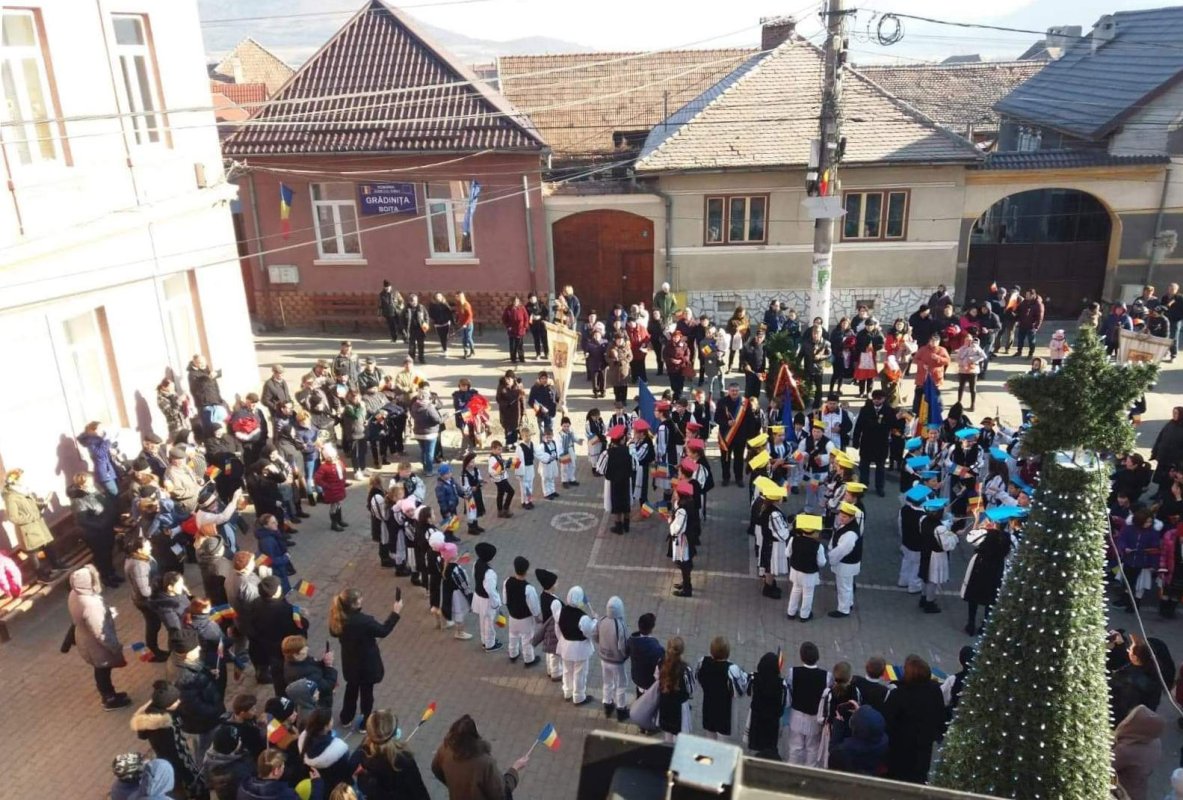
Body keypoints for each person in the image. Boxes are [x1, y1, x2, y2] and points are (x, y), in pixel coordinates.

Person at [329, 587, 403, 730]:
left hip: (350, 662)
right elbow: (383, 631)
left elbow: (333, 632)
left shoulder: (338, 617)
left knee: (351, 689)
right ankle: (364, 722)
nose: (362, 599)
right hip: (367, 664)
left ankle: (346, 717)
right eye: (359, 598)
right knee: (367, 693)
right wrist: (395, 612)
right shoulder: (365, 621)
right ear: (354, 604)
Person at [67, 564, 131, 710]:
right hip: (96, 645)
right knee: (103, 669)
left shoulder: (74, 593)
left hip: (85, 638)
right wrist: (115, 646)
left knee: (101, 669)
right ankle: (109, 698)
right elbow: (101, 632)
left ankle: (109, 694)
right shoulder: (91, 604)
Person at [131, 681, 205, 798]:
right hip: (176, 761)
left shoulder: (150, 717)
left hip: (164, 758)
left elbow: (143, 735)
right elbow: (178, 752)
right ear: (165, 705)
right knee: (190, 785)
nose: (178, 702)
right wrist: (193, 774)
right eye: (175, 701)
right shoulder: (165, 727)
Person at [431, 714, 527, 800]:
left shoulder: (445, 749)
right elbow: (500, 793)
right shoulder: (485, 763)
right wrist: (514, 770)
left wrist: (453, 785)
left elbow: (435, 769)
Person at [882, 655, 946, 783]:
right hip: (923, 746)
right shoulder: (934, 690)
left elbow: (887, 720)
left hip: (901, 748)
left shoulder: (899, 694)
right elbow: (940, 714)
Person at [350, 709, 432, 800]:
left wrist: (363, 776)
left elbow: (363, 785)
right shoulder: (404, 759)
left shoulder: (362, 752)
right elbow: (419, 791)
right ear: (394, 732)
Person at [1, 470, 64, 581]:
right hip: (28, 529)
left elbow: (30, 506)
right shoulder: (11, 497)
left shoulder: (23, 492)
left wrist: (41, 504)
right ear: (14, 481)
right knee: (33, 552)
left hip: (37, 525)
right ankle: (41, 575)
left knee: (47, 544)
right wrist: (32, 517)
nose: (23, 480)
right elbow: (13, 517)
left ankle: (56, 565)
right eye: (21, 478)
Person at [961, 510, 1015, 635]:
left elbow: (970, 538)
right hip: (997, 568)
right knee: (991, 597)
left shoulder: (984, 534)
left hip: (980, 566)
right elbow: (1013, 554)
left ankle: (971, 624)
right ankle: (985, 625)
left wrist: (976, 522)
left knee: (974, 595)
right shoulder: (1009, 538)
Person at [67, 471, 122, 586]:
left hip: (106, 527)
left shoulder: (94, 490)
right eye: (89, 482)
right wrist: (101, 525)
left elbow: (104, 503)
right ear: (82, 484)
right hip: (95, 533)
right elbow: (82, 520)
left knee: (108, 552)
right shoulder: (78, 500)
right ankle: (106, 577)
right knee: (101, 556)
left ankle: (112, 573)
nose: (92, 483)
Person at [696, 636, 749, 741]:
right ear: (727, 652)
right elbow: (740, 690)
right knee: (722, 741)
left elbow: (698, 678)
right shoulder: (731, 669)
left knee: (710, 735)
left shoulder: (703, 662)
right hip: (724, 710)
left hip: (708, 705)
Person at [786, 641, 829, 766]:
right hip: (815, 718)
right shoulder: (826, 676)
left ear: (801, 657)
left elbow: (790, 689)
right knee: (812, 747)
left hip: (796, 716)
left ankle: (791, 768)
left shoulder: (792, 672)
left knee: (795, 746)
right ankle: (810, 770)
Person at [554, 585, 598, 705]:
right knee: (580, 673)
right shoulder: (583, 617)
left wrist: (561, 640)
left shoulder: (560, 611)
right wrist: (594, 620)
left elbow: (557, 628)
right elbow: (589, 632)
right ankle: (578, 696)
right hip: (580, 649)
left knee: (567, 670)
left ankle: (567, 691)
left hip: (565, 646)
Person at [1113, 705, 1166, 800]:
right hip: (1139, 790)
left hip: (1122, 792)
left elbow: (1107, 765)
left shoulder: (1127, 750)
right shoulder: (1155, 741)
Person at [593, 595, 631, 721]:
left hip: (604, 658)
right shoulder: (620, 624)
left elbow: (595, 635)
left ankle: (607, 704)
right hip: (617, 661)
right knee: (621, 684)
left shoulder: (602, 620)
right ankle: (621, 709)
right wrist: (625, 655)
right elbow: (622, 645)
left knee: (607, 682)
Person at [852, 390, 895, 497]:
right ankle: (863, 486)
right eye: (874, 398)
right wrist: (855, 441)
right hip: (867, 442)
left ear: (884, 399)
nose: (876, 401)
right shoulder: (865, 409)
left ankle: (879, 487)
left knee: (880, 468)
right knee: (864, 466)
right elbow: (858, 426)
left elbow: (892, 425)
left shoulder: (889, 410)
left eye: (879, 398)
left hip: (881, 443)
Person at [239, 749, 325, 800]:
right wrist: (317, 784)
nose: (284, 769)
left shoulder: (243, 787)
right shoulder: (286, 795)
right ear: (276, 771)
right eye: (283, 767)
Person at [746, 652, 787, 759]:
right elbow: (785, 702)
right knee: (770, 744)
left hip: (757, 717)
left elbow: (748, 691)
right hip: (772, 721)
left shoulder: (754, 678)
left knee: (757, 741)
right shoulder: (781, 684)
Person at [786, 513, 826, 621]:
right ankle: (804, 615)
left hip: (795, 570)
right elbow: (822, 562)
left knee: (795, 590)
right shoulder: (818, 546)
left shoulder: (793, 540)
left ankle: (791, 612)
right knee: (808, 594)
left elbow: (787, 553)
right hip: (809, 573)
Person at [502, 556, 540, 667]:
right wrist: (537, 617)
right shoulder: (529, 588)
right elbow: (534, 607)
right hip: (525, 619)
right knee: (527, 638)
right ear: (526, 571)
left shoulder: (507, 581)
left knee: (512, 635)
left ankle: (513, 653)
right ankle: (529, 659)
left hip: (513, 616)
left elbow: (504, 600)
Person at [827, 503, 863, 618]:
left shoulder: (850, 533)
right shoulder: (849, 526)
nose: (841, 518)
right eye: (840, 516)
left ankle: (843, 609)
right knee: (847, 585)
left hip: (845, 564)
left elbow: (842, 550)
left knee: (843, 587)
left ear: (852, 518)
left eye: (844, 517)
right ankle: (849, 603)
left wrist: (831, 558)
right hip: (849, 563)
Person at [657, 636, 695, 742]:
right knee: (679, 734)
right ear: (681, 652)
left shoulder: (661, 662)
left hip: (665, 703)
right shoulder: (686, 669)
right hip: (679, 707)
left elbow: (656, 678)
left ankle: (667, 752)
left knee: (668, 732)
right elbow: (691, 689)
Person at [202, 724, 254, 800]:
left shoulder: (208, 759)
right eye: (238, 740)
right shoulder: (239, 770)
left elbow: (208, 784)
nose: (240, 740)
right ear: (232, 749)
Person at [471, 542, 503, 653]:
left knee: (483, 620)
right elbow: (491, 591)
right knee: (488, 622)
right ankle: (490, 644)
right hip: (487, 601)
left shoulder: (477, 563)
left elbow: (474, 576)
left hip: (478, 596)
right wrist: (496, 603)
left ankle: (485, 640)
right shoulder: (489, 573)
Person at [314, 444, 349, 531]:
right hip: (332, 490)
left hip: (339, 488)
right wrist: (327, 486)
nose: (334, 458)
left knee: (338, 505)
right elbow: (317, 479)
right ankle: (334, 523)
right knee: (334, 506)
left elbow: (343, 472)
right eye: (332, 457)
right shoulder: (324, 467)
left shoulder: (338, 463)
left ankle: (339, 520)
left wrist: (344, 481)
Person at [1014, 288, 1044, 358]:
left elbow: (1040, 317)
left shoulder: (1038, 304)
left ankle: (1030, 353)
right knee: (1020, 339)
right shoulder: (1024, 302)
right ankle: (1019, 351)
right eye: (1026, 294)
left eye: (1028, 295)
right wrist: (1015, 314)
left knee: (1031, 341)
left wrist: (1036, 327)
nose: (1026, 296)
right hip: (1022, 324)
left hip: (1031, 326)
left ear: (1033, 295)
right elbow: (1019, 310)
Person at [403, 294, 430, 364]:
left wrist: (426, 323)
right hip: (411, 330)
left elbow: (426, 316)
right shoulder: (406, 309)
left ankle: (421, 358)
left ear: (417, 300)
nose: (414, 302)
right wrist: (403, 330)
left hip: (420, 329)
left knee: (421, 345)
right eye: (412, 301)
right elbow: (401, 320)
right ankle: (411, 359)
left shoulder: (421, 307)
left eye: (415, 301)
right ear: (409, 302)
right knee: (411, 346)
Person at [502, 296, 529, 364]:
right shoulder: (508, 309)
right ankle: (513, 358)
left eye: (517, 301)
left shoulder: (522, 308)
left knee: (520, 345)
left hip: (520, 330)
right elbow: (504, 319)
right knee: (513, 345)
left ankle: (521, 357)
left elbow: (526, 317)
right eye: (514, 301)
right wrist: (508, 326)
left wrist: (525, 326)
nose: (516, 303)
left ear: (519, 302)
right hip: (512, 330)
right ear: (512, 302)